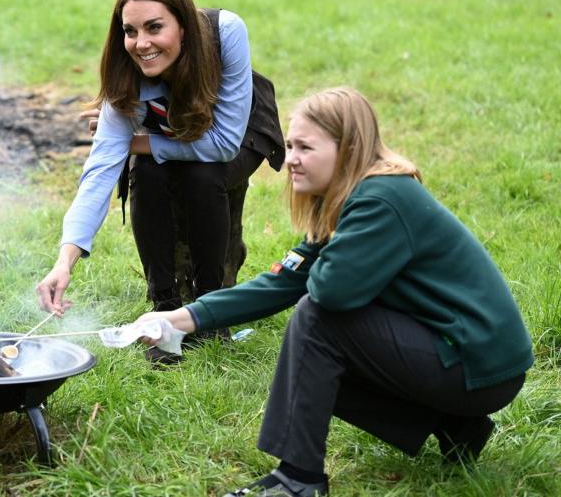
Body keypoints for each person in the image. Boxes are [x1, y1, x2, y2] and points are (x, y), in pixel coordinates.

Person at [133, 87, 533, 496]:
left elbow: (328, 293)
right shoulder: (354, 196)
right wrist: (178, 320)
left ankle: (299, 480)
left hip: (477, 362)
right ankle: (453, 426)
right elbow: (283, 281)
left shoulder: (381, 199)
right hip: (470, 359)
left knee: (316, 323)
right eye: (289, 145)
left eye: (306, 147)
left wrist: (320, 248)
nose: (290, 159)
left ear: (349, 149)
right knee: (310, 366)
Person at [37, 0, 282, 353]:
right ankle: (164, 311)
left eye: (154, 27)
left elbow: (222, 144)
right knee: (146, 171)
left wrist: (139, 141)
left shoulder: (225, 31)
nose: (141, 43)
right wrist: (64, 261)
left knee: (200, 174)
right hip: (170, 129)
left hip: (238, 133)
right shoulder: (126, 81)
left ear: (183, 26)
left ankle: (210, 311)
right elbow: (99, 173)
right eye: (130, 31)